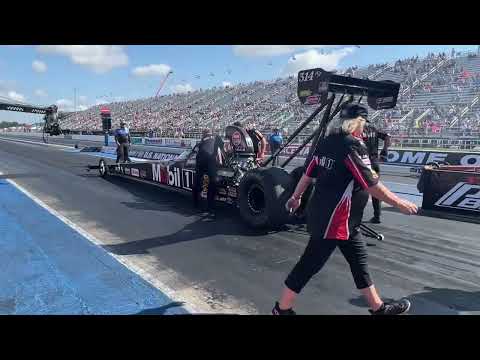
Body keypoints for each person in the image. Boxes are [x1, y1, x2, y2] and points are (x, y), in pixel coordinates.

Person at [272, 103, 418, 315]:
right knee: (309, 265)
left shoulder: (325, 142)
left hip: (342, 220)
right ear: (357, 122)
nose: (364, 128)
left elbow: (307, 174)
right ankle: (281, 309)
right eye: (364, 123)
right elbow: (371, 184)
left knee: (359, 262)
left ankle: (379, 309)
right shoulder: (352, 145)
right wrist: (399, 203)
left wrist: (296, 196)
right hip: (335, 221)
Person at [363, 122, 391, 224]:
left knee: (357, 188)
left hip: (363, 164)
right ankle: (377, 215)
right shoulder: (374, 128)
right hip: (374, 164)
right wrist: (385, 151)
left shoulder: (356, 127)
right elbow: (387, 136)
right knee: (375, 187)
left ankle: (354, 214)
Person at [192, 128, 224, 217]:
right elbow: (222, 147)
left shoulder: (201, 141)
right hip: (210, 162)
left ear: (203, 134)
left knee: (197, 183)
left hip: (201, 162)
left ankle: (196, 205)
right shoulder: (216, 137)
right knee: (213, 182)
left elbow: (194, 151)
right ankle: (210, 207)